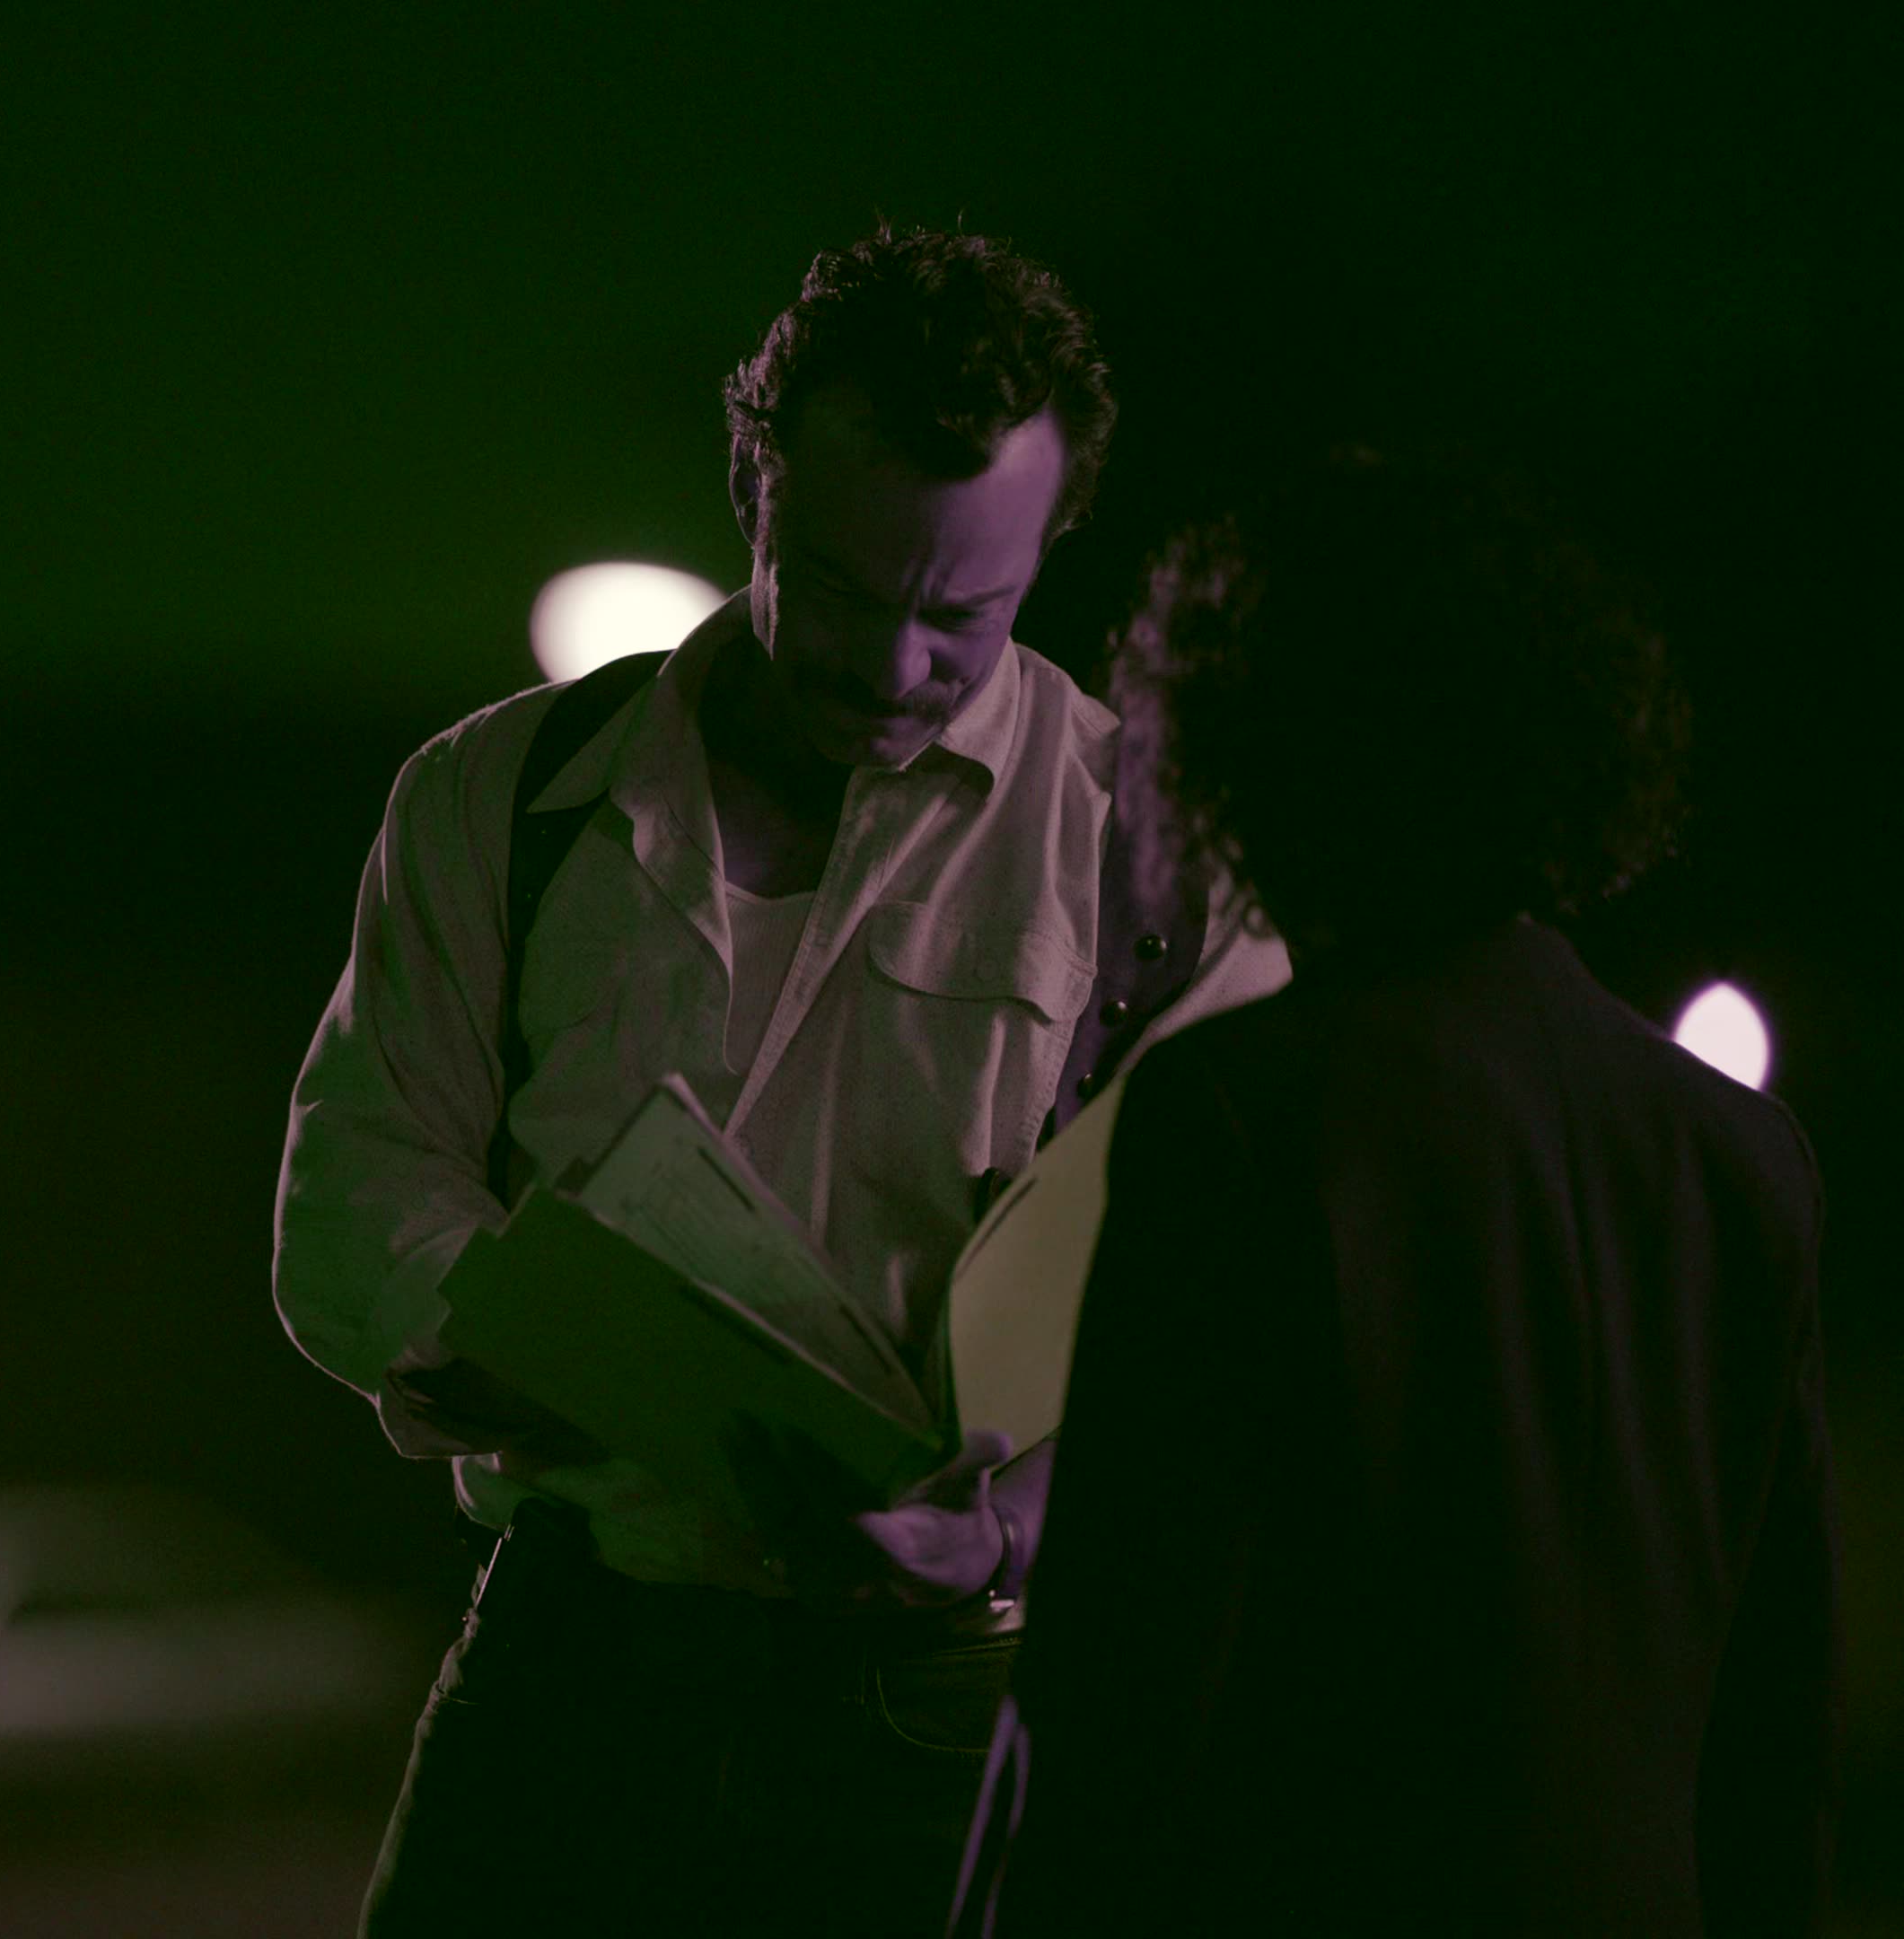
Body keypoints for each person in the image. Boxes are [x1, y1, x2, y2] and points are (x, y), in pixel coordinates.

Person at [271, 222, 1291, 1935]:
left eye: (961, 613)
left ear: (1051, 545)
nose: (892, 667)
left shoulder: (1158, 864)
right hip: (573, 1651)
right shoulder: (496, 795)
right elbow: (352, 1184)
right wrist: (501, 1337)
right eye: (838, 586)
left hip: (936, 1711)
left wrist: (1008, 1529)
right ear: (754, 485)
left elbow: (1246, 1325)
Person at [951, 448, 1836, 1935]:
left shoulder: (1242, 1111)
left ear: (1260, 749)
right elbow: (1777, 1715)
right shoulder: (1739, 1152)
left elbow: (1120, 1686)